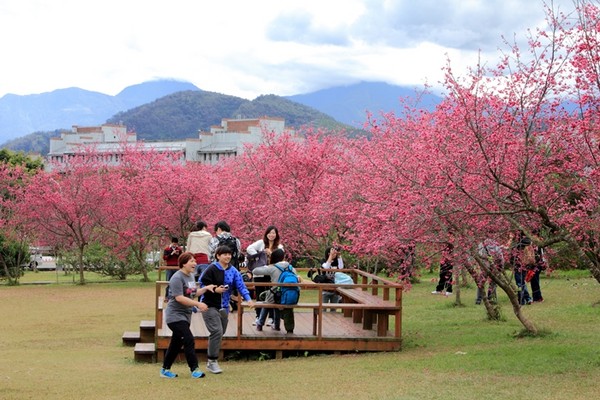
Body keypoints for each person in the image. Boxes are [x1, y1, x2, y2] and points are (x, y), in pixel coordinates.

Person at [199, 245, 254, 374]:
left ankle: (211, 359)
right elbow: (202, 283)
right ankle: (212, 361)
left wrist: (248, 298)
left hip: (224, 307)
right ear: (218, 256)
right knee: (217, 331)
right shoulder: (211, 269)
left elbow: (241, 285)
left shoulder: (233, 270)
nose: (228, 256)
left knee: (220, 332)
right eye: (224, 254)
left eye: (229, 254)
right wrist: (214, 289)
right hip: (209, 304)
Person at [160, 252, 216, 379]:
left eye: (195, 261)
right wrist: (198, 304)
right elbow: (179, 298)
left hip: (185, 315)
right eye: (192, 261)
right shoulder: (176, 278)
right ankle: (194, 369)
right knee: (188, 339)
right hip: (174, 316)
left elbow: (191, 293)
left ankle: (165, 369)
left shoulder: (190, 276)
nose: (195, 263)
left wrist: (206, 288)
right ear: (183, 263)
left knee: (176, 343)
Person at [251, 248, 297, 332]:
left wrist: (264, 264)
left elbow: (255, 271)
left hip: (275, 293)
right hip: (288, 294)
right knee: (278, 303)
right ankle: (277, 325)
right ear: (283, 257)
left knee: (268, 302)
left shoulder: (273, 268)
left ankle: (260, 324)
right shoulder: (291, 268)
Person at [246, 225, 283, 322]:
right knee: (259, 294)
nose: (271, 235)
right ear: (266, 234)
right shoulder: (260, 243)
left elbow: (281, 258)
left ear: (276, 234)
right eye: (270, 233)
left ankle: (271, 317)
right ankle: (258, 316)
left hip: (272, 273)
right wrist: (260, 255)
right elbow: (249, 248)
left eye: (274, 233)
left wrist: (270, 253)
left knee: (271, 294)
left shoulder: (279, 246)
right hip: (260, 272)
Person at [475, 239, 503, 305]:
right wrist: (501, 266)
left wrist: (484, 260)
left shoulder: (481, 244)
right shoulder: (496, 244)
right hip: (494, 265)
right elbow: (500, 256)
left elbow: (479, 254)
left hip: (484, 266)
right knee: (493, 283)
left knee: (481, 283)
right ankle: (491, 298)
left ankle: (479, 299)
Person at [509, 230, 533, 305]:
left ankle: (523, 300)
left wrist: (512, 264)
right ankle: (527, 298)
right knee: (522, 283)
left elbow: (512, 257)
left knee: (520, 284)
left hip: (518, 266)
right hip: (526, 265)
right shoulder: (529, 243)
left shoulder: (517, 245)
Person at [321, 245, 343, 311]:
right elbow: (326, 267)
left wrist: (339, 256)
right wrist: (330, 256)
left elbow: (341, 267)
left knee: (334, 310)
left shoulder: (337, 261)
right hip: (325, 289)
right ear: (328, 253)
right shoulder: (323, 261)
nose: (335, 254)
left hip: (335, 288)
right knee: (323, 309)